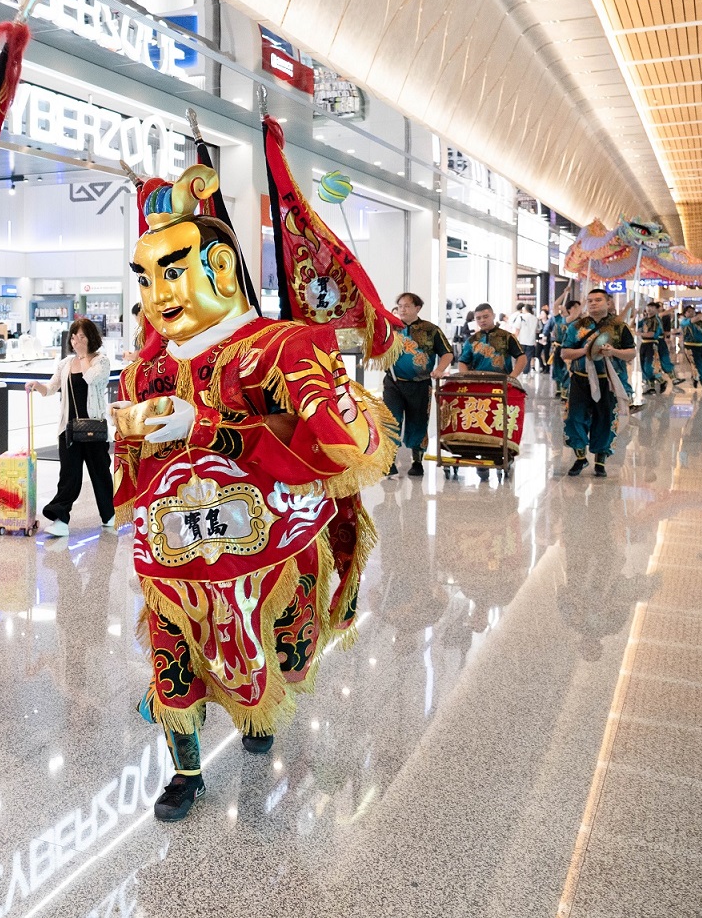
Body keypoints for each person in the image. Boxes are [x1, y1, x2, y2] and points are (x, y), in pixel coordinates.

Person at [112, 156, 392, 820]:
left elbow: (332, 441)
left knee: (264, 651)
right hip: (176, 552)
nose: (158, 293)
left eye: (171, 271)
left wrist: (207, 424)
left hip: (269, 549)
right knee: (171, 657)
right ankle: (183, 771)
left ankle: (258, 722)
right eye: (146, 277)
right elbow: (133, 475)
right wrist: (134, 439)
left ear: (218, 268)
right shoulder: (141, 370)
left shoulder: (283, 348)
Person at [31, 316, 115, 537]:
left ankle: (109, 515)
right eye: (74, 336)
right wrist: (37, 386)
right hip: (69, 430)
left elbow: (90, 378)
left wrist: (84, 355)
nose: (76, 340)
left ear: (91, 338)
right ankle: (60, 518)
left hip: (93, 428)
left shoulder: (100, 361)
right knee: (69, 475)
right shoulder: (65, 364)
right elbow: (51, 388)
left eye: (81, 336)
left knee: (100, 474)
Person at [559, 288, 636, 477]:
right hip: (580, 379)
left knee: (606, 419)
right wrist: (584, 351)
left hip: (608, 381)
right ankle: (580, 458)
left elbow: (631, 353)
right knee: (574, 418)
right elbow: (564, 352)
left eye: (598, 300)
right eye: (590, 300)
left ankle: (600, 462)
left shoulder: (619, 327)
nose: (593, 303)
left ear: (608, 303)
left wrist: (614, 352)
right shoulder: (576, 327)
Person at [382, 292, 452, 477]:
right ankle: (389, 461)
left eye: (407, 306)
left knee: (418, 422)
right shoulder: (391, 328)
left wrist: (440, 369)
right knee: (391, 420)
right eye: (399, 306)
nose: (402, 309)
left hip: (420, 384)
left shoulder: (431, 330)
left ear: (417, 308)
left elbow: (447, 353)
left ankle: (417, 461)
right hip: (393, 383)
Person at [457, 303, 529, 377]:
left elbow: (522, 358)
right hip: (477, 382)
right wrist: (466, 378)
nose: (482, 320)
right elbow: (462, 362)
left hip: (502, 382)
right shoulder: (471, 340)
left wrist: (512, 377)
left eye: (485, 317)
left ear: (494, 316)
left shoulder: (507, 337)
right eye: (478, 318)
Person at [550, 299, 581, 401]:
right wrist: (564, 293)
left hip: (569, 349)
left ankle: (565, 393)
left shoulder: (574, 321)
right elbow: (555, 305)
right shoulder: (559, 319)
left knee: (566, 370)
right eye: (575, 307)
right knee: (557, 370)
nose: (577, 309)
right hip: (558, 347)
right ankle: (559, 390)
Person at [681, 308, 702, 389]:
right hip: (691, 347)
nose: (691, 313)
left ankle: (696, 376)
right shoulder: (684, 322)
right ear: (685, 313)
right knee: (698, 364)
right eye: (689, 312)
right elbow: (696, 318)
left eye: (693, 311)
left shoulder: (700, 323)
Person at [512, 303, 539, 368]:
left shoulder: (521, 317)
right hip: (531, 341)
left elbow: (517, 329)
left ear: (525, 309)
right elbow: (537, 330)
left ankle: (519, 370)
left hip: (521, 340)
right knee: (528, 358)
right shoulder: (535, 318)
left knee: (520, 357)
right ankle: (525, 373)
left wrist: (514, 339)